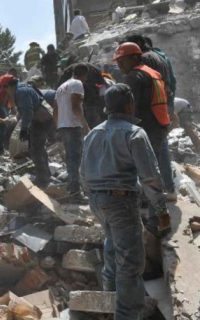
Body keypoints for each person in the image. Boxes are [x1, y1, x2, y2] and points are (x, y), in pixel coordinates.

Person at [81, 83, 170, 320]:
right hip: (121, 203)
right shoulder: (134, 133)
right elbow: (150, 177)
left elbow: (83, 174)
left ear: (106, 107)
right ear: (130, 104)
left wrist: (96, 197)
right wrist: (161, 211)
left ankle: (110, 302)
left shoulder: (92, 133)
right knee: (130, 263)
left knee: (112, 248)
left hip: (98, 202)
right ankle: (126, 315)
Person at [114, 42, 174, 233]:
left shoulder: (135, 76)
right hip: (158, 125)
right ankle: (156, 216)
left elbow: (130, 106)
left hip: (147, 128)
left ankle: (156, 220)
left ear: (133, 57)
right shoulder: (151, 71)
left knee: (147, 174)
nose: (119, 66)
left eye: (121, 61)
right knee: (150, 172)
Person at [55, 63, 90, 200]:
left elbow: (55, 110)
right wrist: (85, 125)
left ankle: (73, 188)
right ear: (84, 75)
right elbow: (76, 107)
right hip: (73, 126)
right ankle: (76, 192)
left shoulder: (61, 87)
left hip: (63, 126)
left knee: (70, 159)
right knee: (77, 159)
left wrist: (57, 127)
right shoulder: (77, 84)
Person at [11, 79, 53, 187]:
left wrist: (24, 129)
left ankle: (42, 180)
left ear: (8, 87)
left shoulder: (21, 92)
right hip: (42, 119)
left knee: (36, 149)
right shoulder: (24, 88)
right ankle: (46, 174)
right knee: (38, 148)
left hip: (40, 120)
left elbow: (28, 111)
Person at [0, 69, 18, 155]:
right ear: (13, 73)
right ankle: (2, 148)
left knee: (2, 126)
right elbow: (10, 93)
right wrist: (14, 107)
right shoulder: (9, 78)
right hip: (0, 105)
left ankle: (1, 148)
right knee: (5, 127)